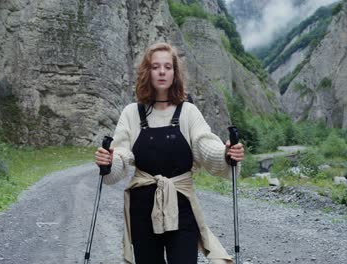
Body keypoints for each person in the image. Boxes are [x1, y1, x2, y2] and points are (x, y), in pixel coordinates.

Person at [95, 42, 244, 264]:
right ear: (147, 72)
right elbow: (121, 157)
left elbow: (205, 145)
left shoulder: (188, 112)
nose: (162, 71)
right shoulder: (131, 113)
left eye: (168, 66)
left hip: (181, 204)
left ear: (175, 72)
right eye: (156, 67)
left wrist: (225, 153)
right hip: (142, 209)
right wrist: (108, 163)